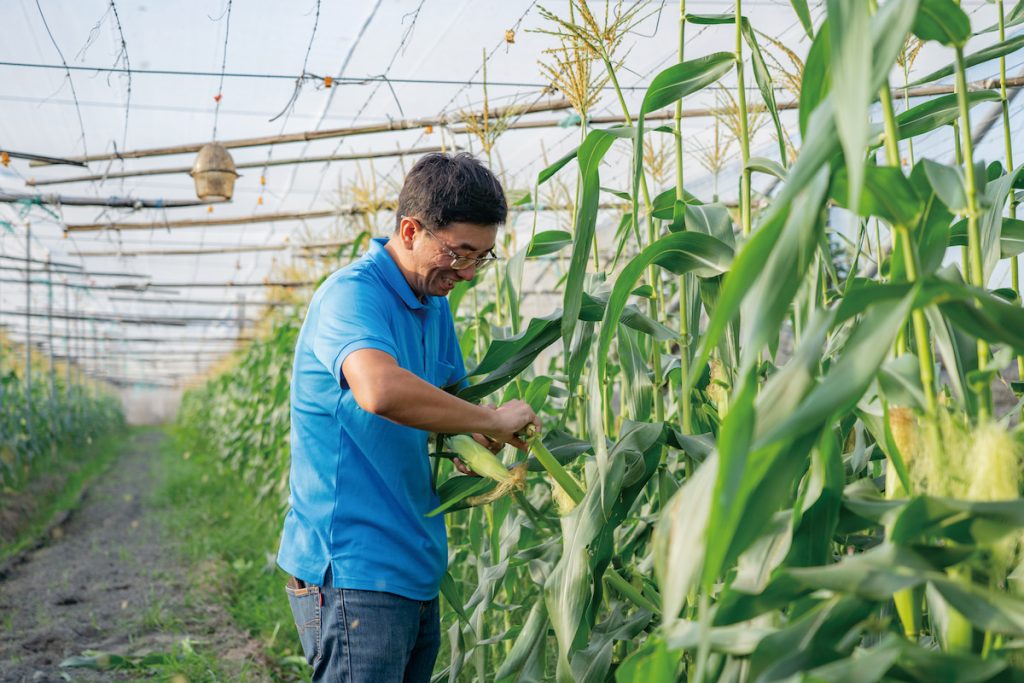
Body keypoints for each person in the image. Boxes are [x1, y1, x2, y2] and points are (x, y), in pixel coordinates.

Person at [277, 152, 540, 682]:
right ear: (411, 229)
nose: (466, 273)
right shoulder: (351, 296)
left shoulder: (431, 304)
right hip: (353, 568)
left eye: (481, 258)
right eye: (459, 253)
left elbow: (452, 404)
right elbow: (378, 389)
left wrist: (482, 435)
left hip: (413, 565)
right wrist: (488, 422)